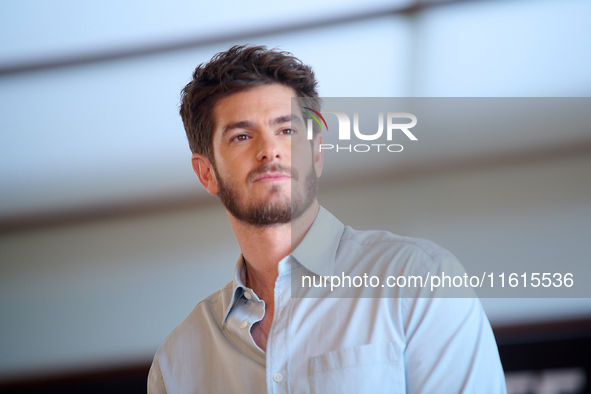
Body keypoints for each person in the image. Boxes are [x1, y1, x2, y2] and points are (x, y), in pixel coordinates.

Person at [147, 45, 506, 393]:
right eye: (242, 136)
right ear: (206, 172)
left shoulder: (421, 280)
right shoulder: (176, 363)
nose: (268, 149)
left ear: (317, 152)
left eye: (287, 130)